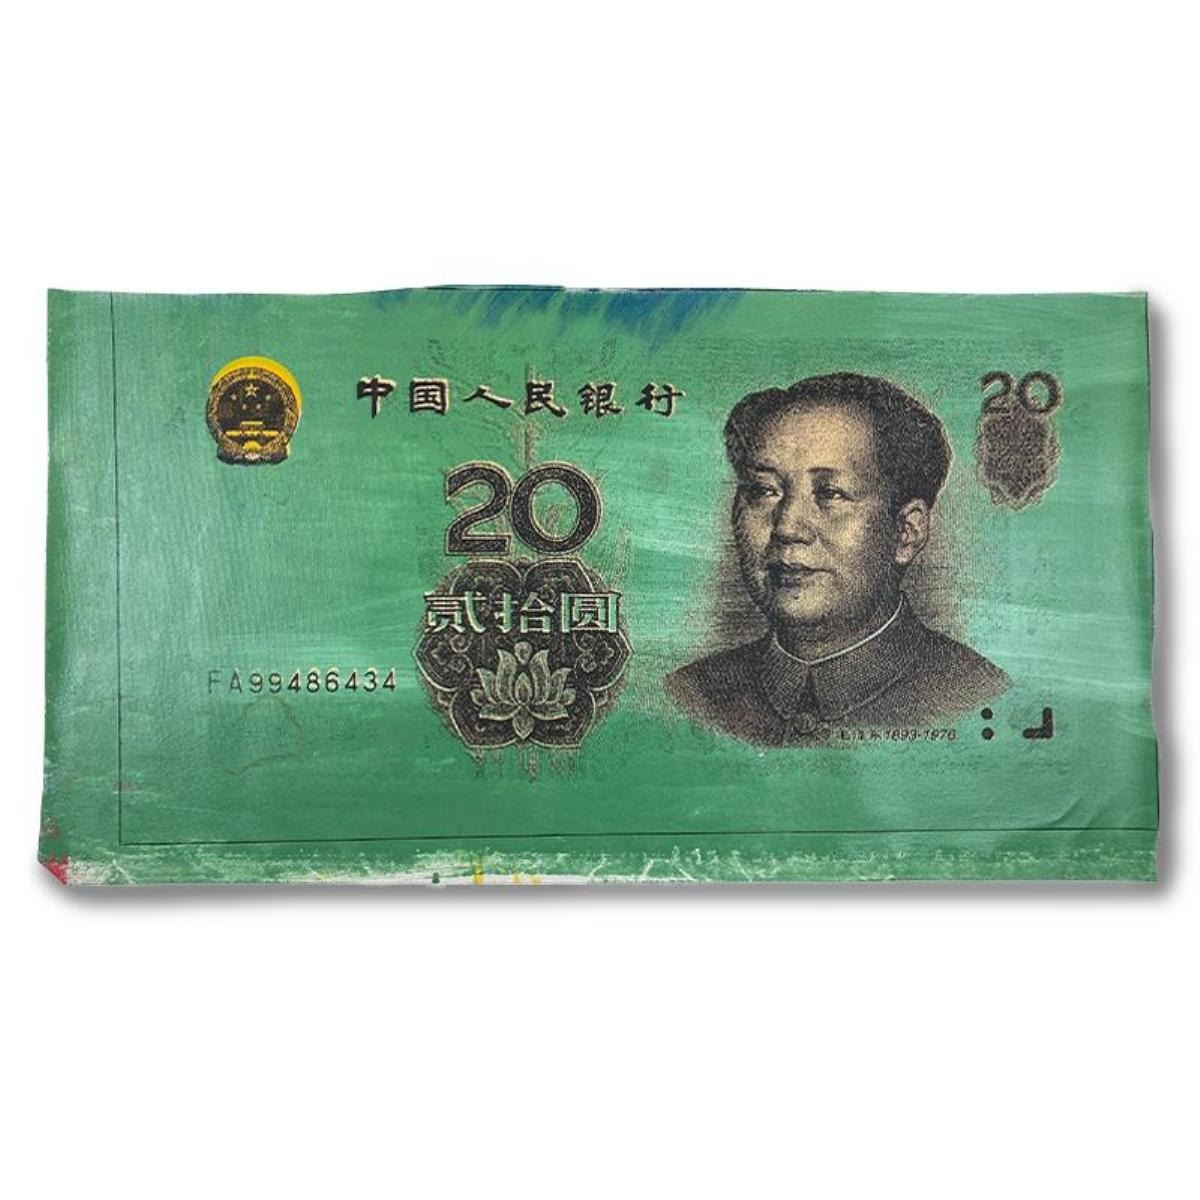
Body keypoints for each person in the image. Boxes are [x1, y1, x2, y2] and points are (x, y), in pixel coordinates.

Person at [665, 373, 1008, 745]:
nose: (787, 527)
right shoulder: (690, 696)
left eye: (829, 494)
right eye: (764, 490)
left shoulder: (976, 694)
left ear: (906, 531)